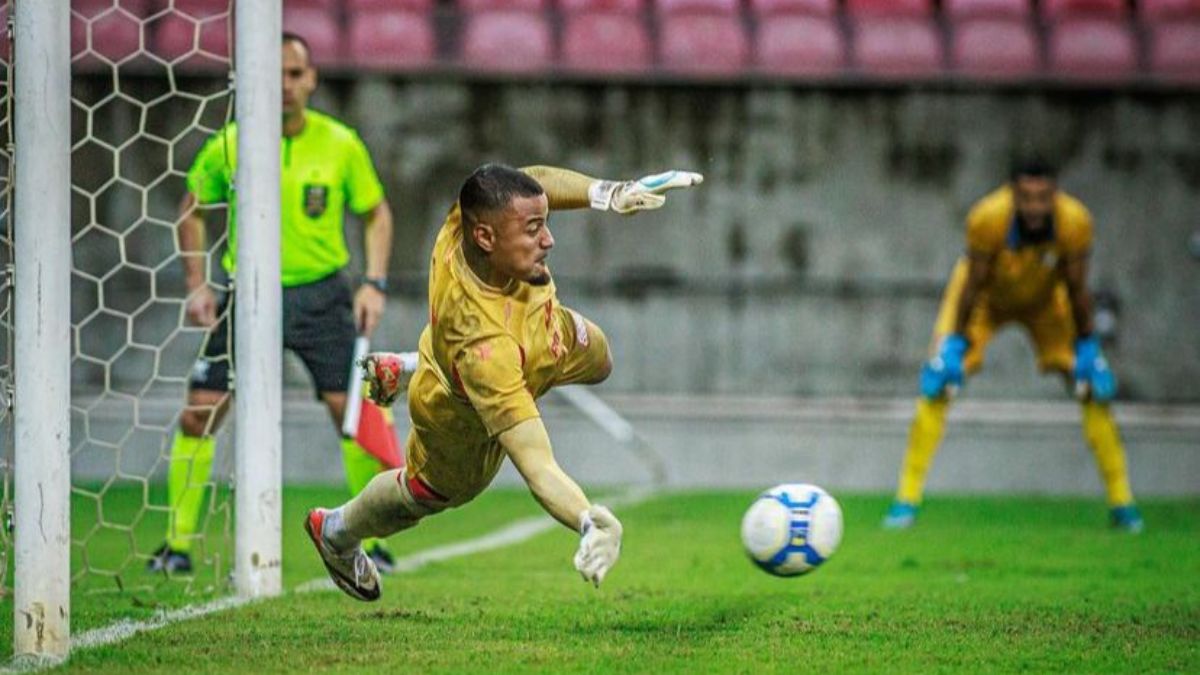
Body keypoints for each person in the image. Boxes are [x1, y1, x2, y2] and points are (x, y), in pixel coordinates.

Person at [304, 164, 703, 600]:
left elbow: (532, 181)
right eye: (533, 231)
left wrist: (610, 192)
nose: (549, 240)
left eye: (544, 224)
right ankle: (336, 531)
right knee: (426, 493)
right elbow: (537, 465)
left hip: (534, 335)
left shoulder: (467, 219)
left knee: (602, 360)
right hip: (462, 411)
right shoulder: (483, 349)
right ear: (487, 239)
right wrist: (588, 521)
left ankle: (415, 363)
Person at [149, 32, 399, 574]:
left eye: (294, 74)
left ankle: (371, 539)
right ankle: (177, 547)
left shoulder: (340, 143)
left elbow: (377, 212)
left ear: (310, 80)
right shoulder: (232, 143)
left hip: (322, 293)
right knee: (199, 412)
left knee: (355, 413)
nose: (284, 86)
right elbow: (190, 208)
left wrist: (373, 283)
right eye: (274, 75)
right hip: (248, 293)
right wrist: (197, 283)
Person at [883, 159, 1143, 533]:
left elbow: (1076, 288)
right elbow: (972, 284)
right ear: (1012, 194)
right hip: (984, 301)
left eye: (1043, 198)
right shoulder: (988, 218)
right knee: (938, 382)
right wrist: (953, 344)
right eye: (1026, 197)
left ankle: (1123, 503)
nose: (1035, 207)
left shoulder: (1075, 222)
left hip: (1045, 302)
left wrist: (1088, 348)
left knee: (1090, 388)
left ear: (1055, 195)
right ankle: (905, 500)